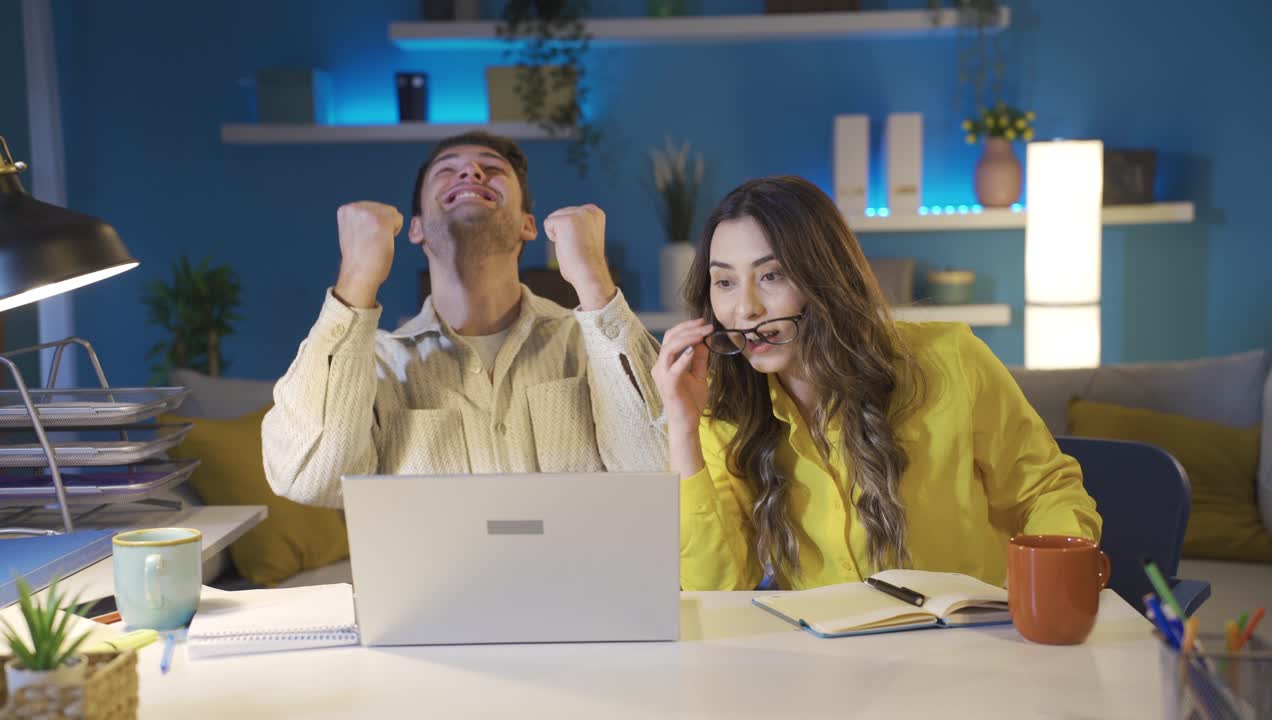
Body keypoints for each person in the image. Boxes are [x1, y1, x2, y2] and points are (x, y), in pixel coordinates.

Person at [651, 175, 1101, 591]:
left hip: (969, 647)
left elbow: (1046, 491)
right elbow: (716, 589)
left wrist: (1045, 593)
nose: (745, 309)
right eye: (724, 282)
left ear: (824, 277)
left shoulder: (950, 361)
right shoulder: (723, 410)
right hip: (825, 666)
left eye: (771, 275)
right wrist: (683, 429)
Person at [263, 131, 667, 508]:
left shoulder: (584, 346)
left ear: (529, 224)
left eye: (491, 169)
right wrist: (355, 279)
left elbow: (660, 465)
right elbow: (307, 477)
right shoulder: (379, 366)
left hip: (581, 585)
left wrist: (595, 280)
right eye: (447, 169)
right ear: (415, 228)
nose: (471, 172)